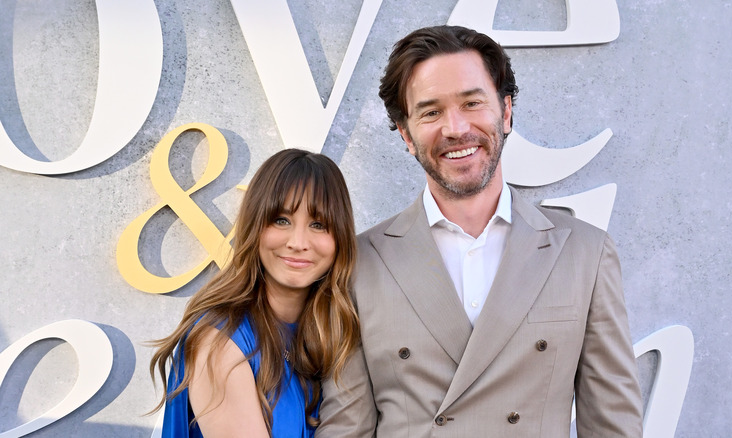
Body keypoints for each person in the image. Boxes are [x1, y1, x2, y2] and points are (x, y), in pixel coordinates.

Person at [316, 25, 643, 436]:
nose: (455, 128)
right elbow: (346, 428)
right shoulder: (360, 264)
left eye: (472, 103)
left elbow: (613, 425)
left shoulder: (584, 254)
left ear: (505, 113)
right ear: (406, 133)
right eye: (431, 112)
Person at [149, 148, 360, 437]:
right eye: (281, 220)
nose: (298, 242)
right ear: (255, 227)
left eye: (318, 224)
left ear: (340, 238)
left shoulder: (328, 334)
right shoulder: (221, 341)